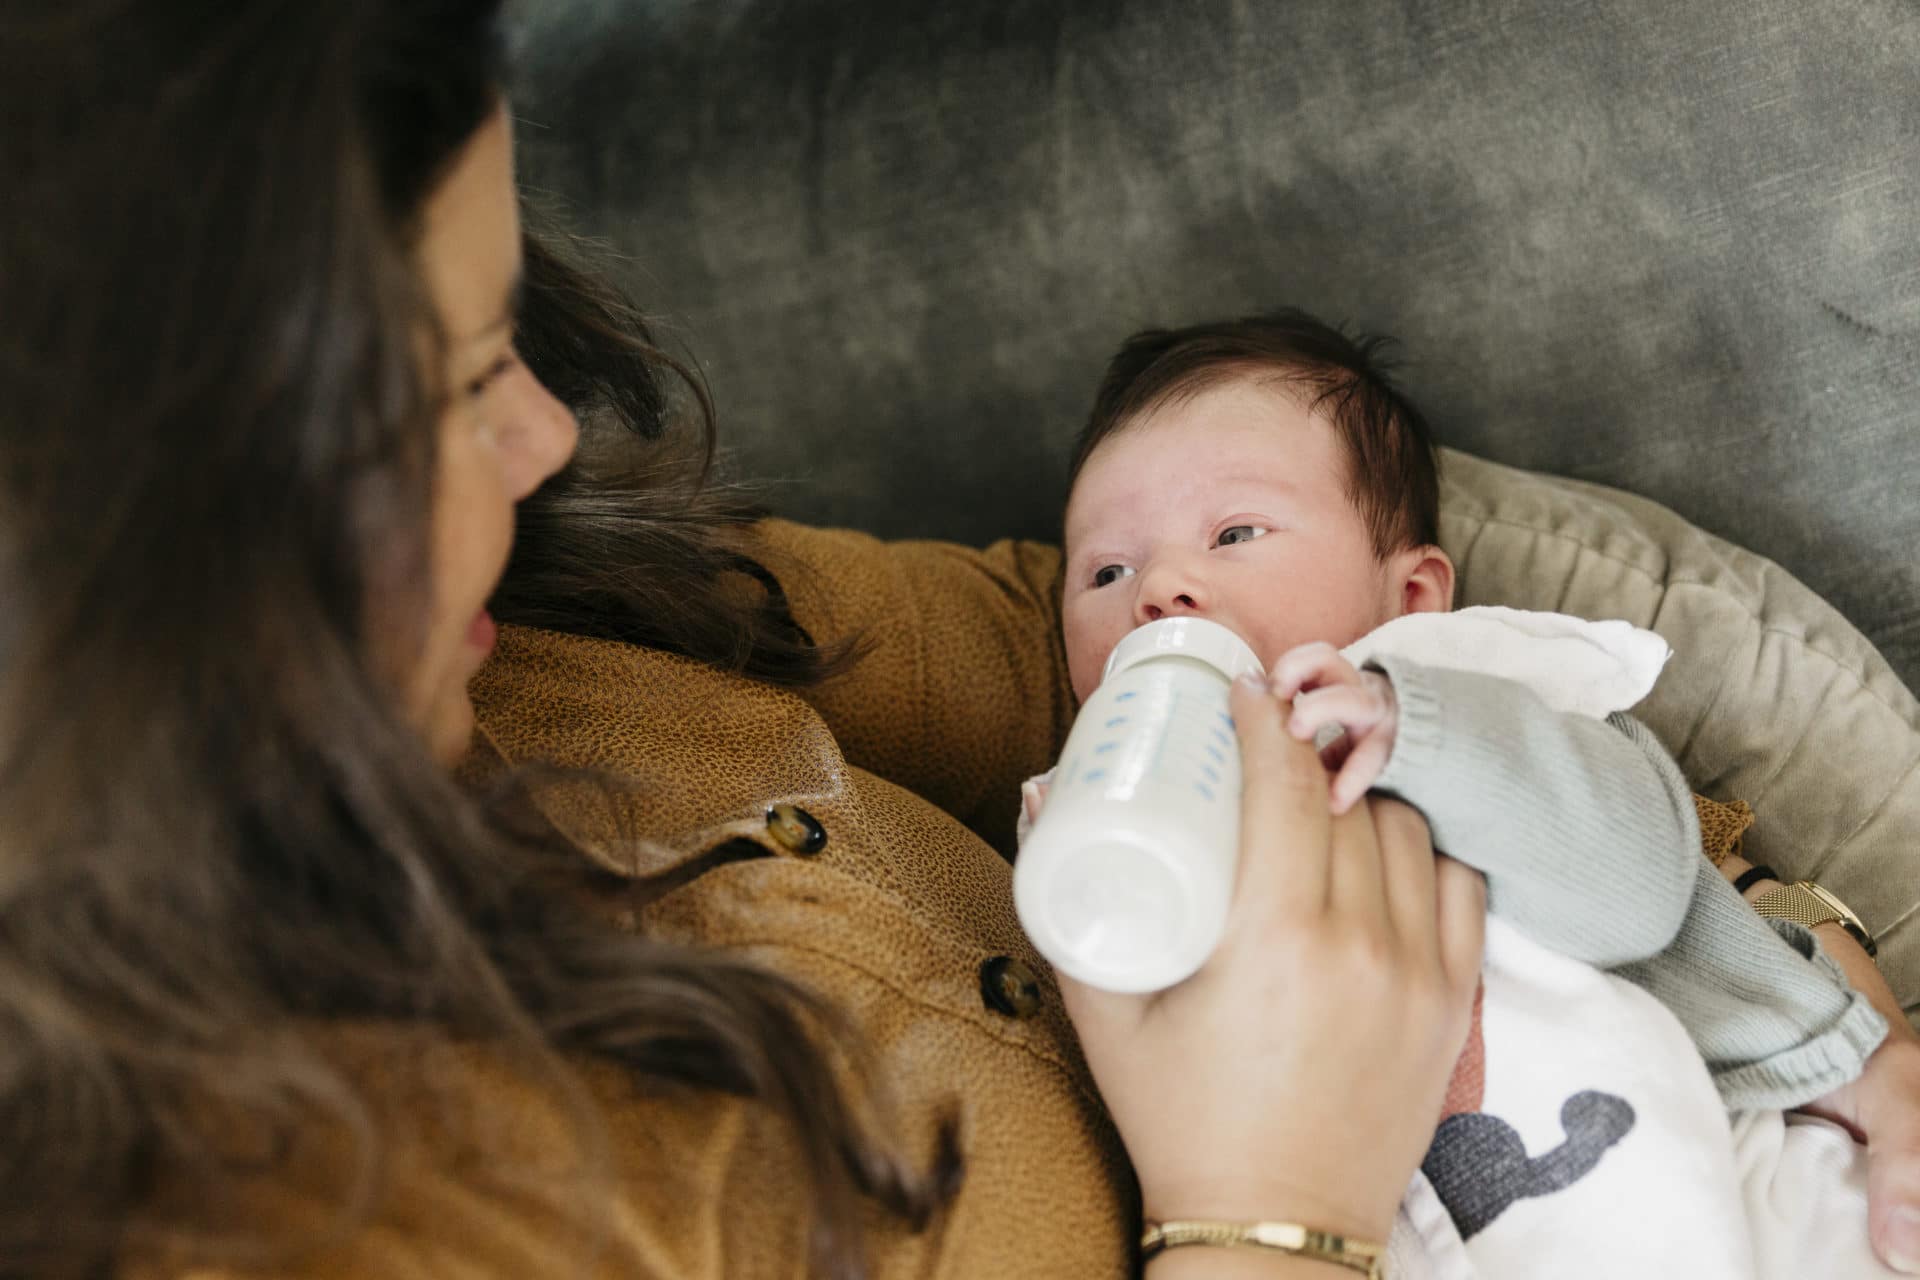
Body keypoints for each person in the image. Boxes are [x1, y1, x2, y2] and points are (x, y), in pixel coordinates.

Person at [2, 3, 1485, 1278]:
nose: (541, 439)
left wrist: (1442, 691)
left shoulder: (550, 620)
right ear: (145, 586)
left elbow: (1091, 623)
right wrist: (1273, 1217)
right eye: (451, 392)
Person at [1053, 308, 1920, 1272]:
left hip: (1732, 1185)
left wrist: (1420, 733)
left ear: (1412, 598)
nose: (1160, 587)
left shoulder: (1486, 706)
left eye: (1235, 531)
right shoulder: (1089, 816)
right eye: (1106, 569)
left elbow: (1639, 889)